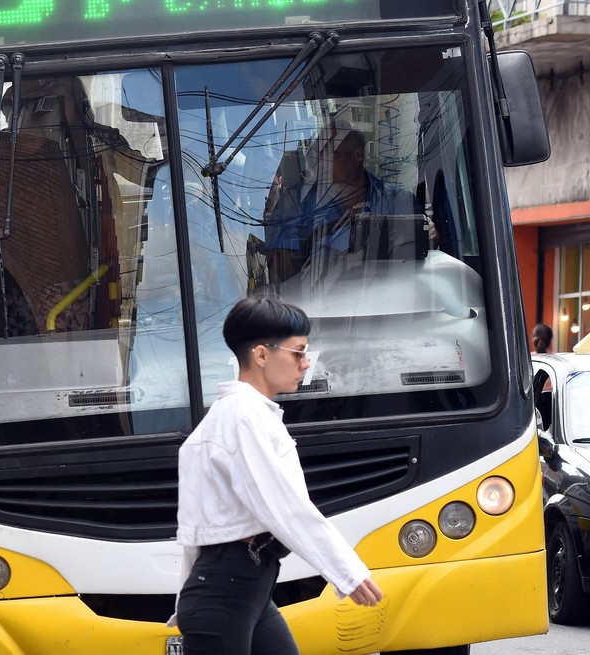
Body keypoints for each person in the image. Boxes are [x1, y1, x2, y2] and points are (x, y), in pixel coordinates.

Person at [173, 295, 383, 654]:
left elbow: (196, 530)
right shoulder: (243, 418)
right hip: (225, 596)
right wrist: (346, 572)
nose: (306, 363)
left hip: (241, 592)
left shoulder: (236, 416)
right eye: (298, 352)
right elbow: (284, 507)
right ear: (261, 355)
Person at [264, 130, 417, 282]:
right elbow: (282, 265)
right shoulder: (296, 202)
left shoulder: (397, 201)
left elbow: (418, 257)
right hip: (318, 293)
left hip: (388, 292)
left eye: (330, 154)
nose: (321, 162)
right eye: (319, 155)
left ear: (357, 155)